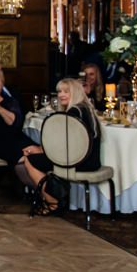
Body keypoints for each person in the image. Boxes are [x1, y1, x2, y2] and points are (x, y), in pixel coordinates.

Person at [19, 78, 100, 215]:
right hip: (90, 160)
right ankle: (55, 197)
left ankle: (52, 202)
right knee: (35, 157)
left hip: (77, 161)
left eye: (66, 92)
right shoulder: (86, 109)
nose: (61, 95)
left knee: (30, 160)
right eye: (59, 92)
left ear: (75, 93)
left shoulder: (74, 113)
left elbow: (65, 144)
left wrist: (40, 149)